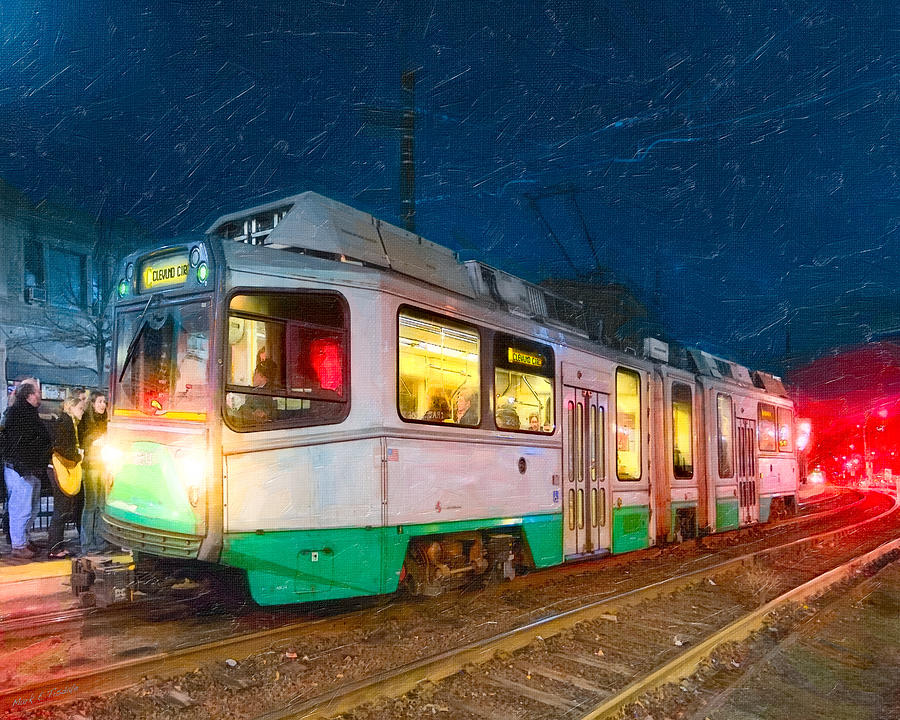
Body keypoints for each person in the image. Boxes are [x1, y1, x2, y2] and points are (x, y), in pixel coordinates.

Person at [1, 382, 52, 559]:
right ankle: (19, 544)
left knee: (29, 507)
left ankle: (23, 539)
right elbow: (23, 442)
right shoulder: (21, 414)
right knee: (21, 508)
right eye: (38, 392)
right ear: (30, 396)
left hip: (27, 468)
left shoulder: (23, 413)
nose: (40, 396)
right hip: (21, 468)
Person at [47, 394, 84, 558]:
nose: (82, 412)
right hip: (60, 468)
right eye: (80, 408)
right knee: (61, 510)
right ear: (71, 407)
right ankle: (54, 548)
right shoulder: (66, 423)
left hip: (59, 467)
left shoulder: (68, 422)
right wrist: (78, 456)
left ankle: (57, 546)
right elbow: (61, 447)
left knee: (61, 509)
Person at [79, 391, 109, 554]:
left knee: (102, 505)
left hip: (104, 466)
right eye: (99, 402)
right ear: (92, 404)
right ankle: (87, 543)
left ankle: (100, 540)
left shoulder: (106, 421)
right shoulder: (86, 421)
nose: (103, 405)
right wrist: (96, 441)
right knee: (90, 505)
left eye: (104, 402)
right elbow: (84, 441)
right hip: (90, 467)